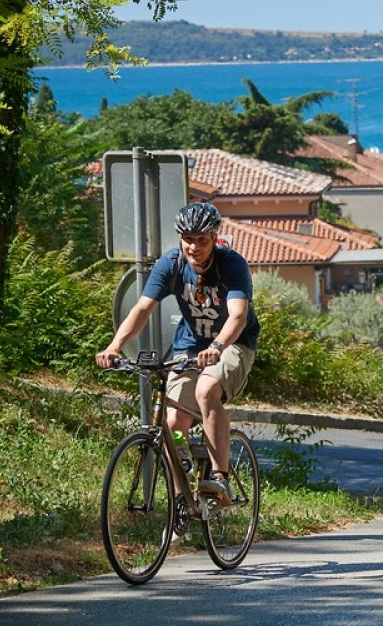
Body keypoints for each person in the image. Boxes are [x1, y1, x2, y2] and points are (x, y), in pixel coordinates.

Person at [95, 202, 260, 507]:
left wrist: (216, 348)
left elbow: (237, 317)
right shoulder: (170, 264)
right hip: (189, 345)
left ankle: (219, 478)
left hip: (233, 344)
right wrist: (114, 346)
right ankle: (181, 500)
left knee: (207, 388)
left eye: (202, 240)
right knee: (174, 424)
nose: (194, 246)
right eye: (188, 239)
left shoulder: (231, 265)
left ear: (214, 237)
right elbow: (142, 309)